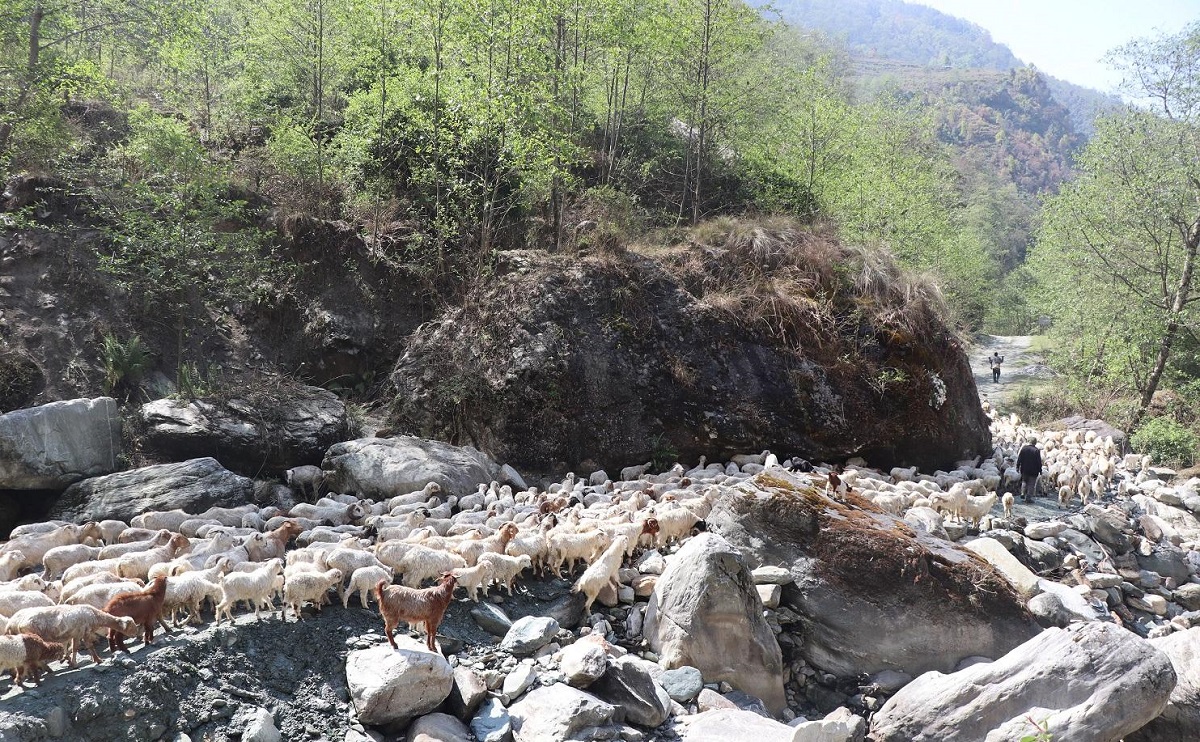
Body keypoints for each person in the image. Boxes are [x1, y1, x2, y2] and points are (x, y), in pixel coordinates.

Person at [1016, 437, 1043, 503]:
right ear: (1035, 442)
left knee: (1024, 481)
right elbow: (1038, 461)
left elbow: (1019, 458)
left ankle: (1022, 492)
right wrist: (1040, 470)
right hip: (1034, 471)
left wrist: (1017, 466)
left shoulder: (1024, 449)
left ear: (1029, 441)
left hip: (1024, 469)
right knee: (1031, 484)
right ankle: (1028, 498)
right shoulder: (1036, 450)